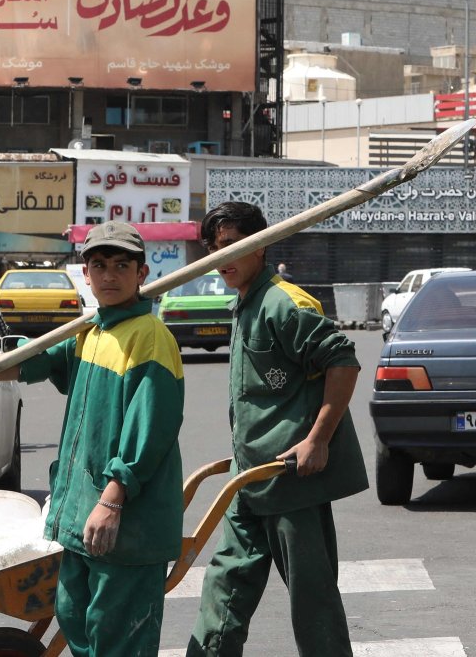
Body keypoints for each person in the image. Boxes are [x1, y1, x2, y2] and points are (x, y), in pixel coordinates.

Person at [0, 222, 184, 657]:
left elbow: (151, 431)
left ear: (142, 273)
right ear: (86, 274)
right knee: (78, 627)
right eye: (99, 265)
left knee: (118, 642)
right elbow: (34, 361)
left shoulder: (150, 339)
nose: (110, 275)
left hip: (124, 525)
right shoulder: (92, 332)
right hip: (80, 518)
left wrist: (112, 500)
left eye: (122, 265)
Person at [185, 201, 367, 657]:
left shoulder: (284, 303)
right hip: (249, 479)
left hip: (292, 479)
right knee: (225, 585)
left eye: (232, 246)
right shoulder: (245, 303)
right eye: (212, 249)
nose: (221, 258)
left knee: (312, 599)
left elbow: (343, 362)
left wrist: (318, 439)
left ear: (261, 247)